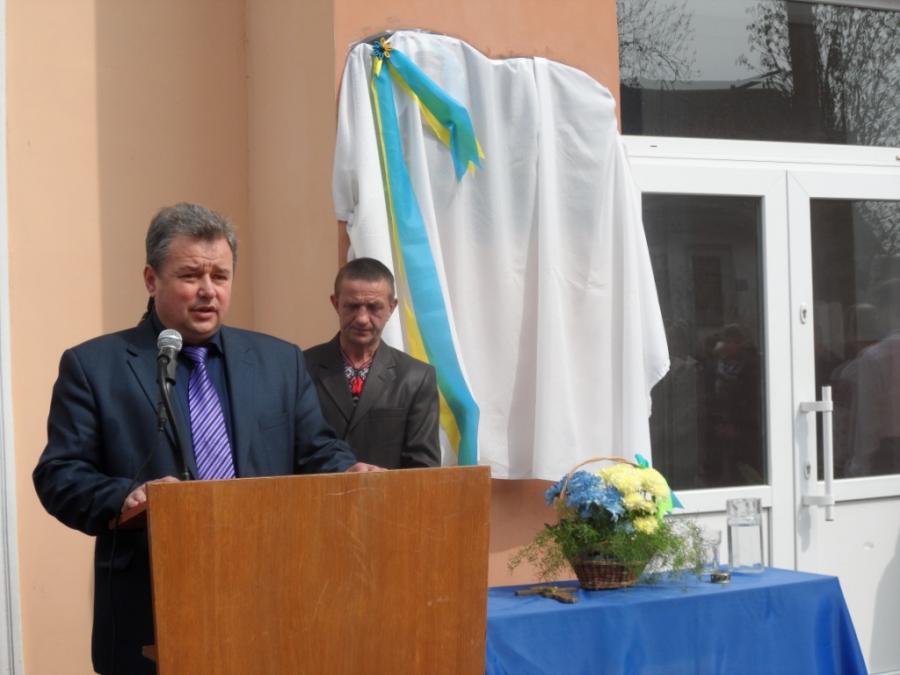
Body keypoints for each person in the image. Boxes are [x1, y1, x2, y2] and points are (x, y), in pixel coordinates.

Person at [33, 203, 381, 675]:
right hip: (151, 612)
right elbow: (59, 475)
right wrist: (127, 496)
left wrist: (348, 469)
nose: (207, 290)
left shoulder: (278, 361)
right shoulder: (94, 367)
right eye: (190, 275)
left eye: (220, 276)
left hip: (270, 603)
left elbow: (315, 449)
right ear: (151, 279)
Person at [303, 258, 440, 469]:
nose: (362, 318)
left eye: (373, 307)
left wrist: (382, 482)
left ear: (392, 307)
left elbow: (424, 466)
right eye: (352, 306)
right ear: (335, 303)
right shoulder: (302, 369)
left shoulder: (416, 377)